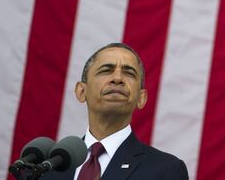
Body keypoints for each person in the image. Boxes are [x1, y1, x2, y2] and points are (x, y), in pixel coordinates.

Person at [44, 42, 188, 180]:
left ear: (141, 98)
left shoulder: (166, 170)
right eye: (106, 70)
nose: (118, 78)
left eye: (129, 73)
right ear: (82, 91)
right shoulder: (46, 168)